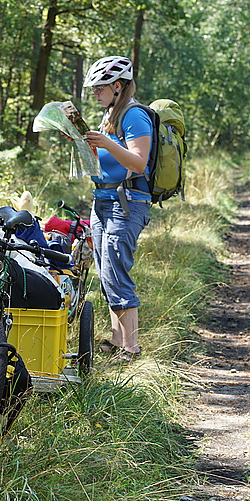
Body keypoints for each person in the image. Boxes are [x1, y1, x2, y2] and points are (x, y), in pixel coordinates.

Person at [82, 55, 152, 361]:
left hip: (127, 203)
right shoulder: (111, 114)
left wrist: (108, 144)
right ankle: (115, 340)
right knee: (106, 273)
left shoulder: (134, 115)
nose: (95, 93)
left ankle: (131, 348)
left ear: (118, 85)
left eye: (100, 87)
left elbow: (138, 162)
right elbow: (108, 160)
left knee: (117, 272)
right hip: (104, 202)